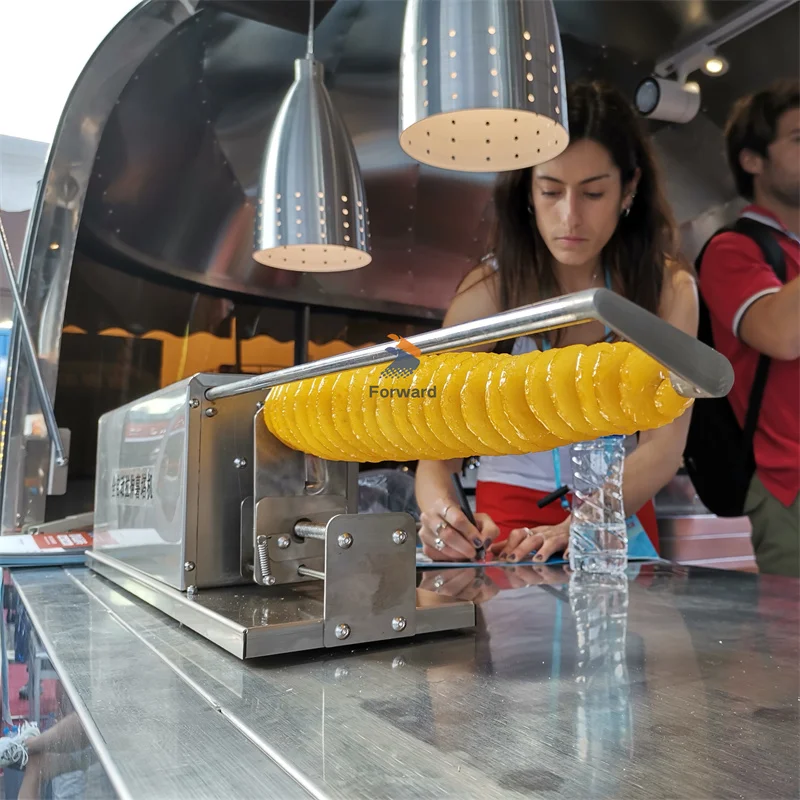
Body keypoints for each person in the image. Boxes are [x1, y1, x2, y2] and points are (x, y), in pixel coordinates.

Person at [415, 80, 698, 563]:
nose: (570, 216)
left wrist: (582, 522)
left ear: (629, 189)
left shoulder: (670, 290)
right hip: (507, 528)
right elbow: (435, 440)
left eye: (593, 193)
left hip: (619, 514)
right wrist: (442, 514)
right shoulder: (488, 291)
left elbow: (665, 446)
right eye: (550, 190)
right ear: (527, 192)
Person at [698, 80, 800, 577]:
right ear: (753, 160)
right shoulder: (733, 249)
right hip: (789, 488)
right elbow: (782, 334)